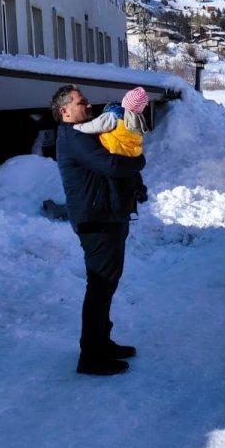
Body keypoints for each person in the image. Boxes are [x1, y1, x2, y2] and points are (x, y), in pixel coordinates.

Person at [52, 84, 146, 376]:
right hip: (96, 221)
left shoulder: (86, 132)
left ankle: (101, 342)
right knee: (100, 286)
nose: (89, 106)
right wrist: (139, 160)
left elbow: (116, 156)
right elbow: (113, 165)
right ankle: (91, 356)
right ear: (65, 111)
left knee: (106, 285)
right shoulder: (72, 137)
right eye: (81, 103)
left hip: (108, 216)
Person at [72, 86, 150, 215]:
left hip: (113, 151)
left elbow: (94, 126)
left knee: (114, 184)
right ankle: (137, 192)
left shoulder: (113, 115)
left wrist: (77, 127)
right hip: (130, 155)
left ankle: (117, 208)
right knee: (131, 176)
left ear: (125, 101)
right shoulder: (139, 120)